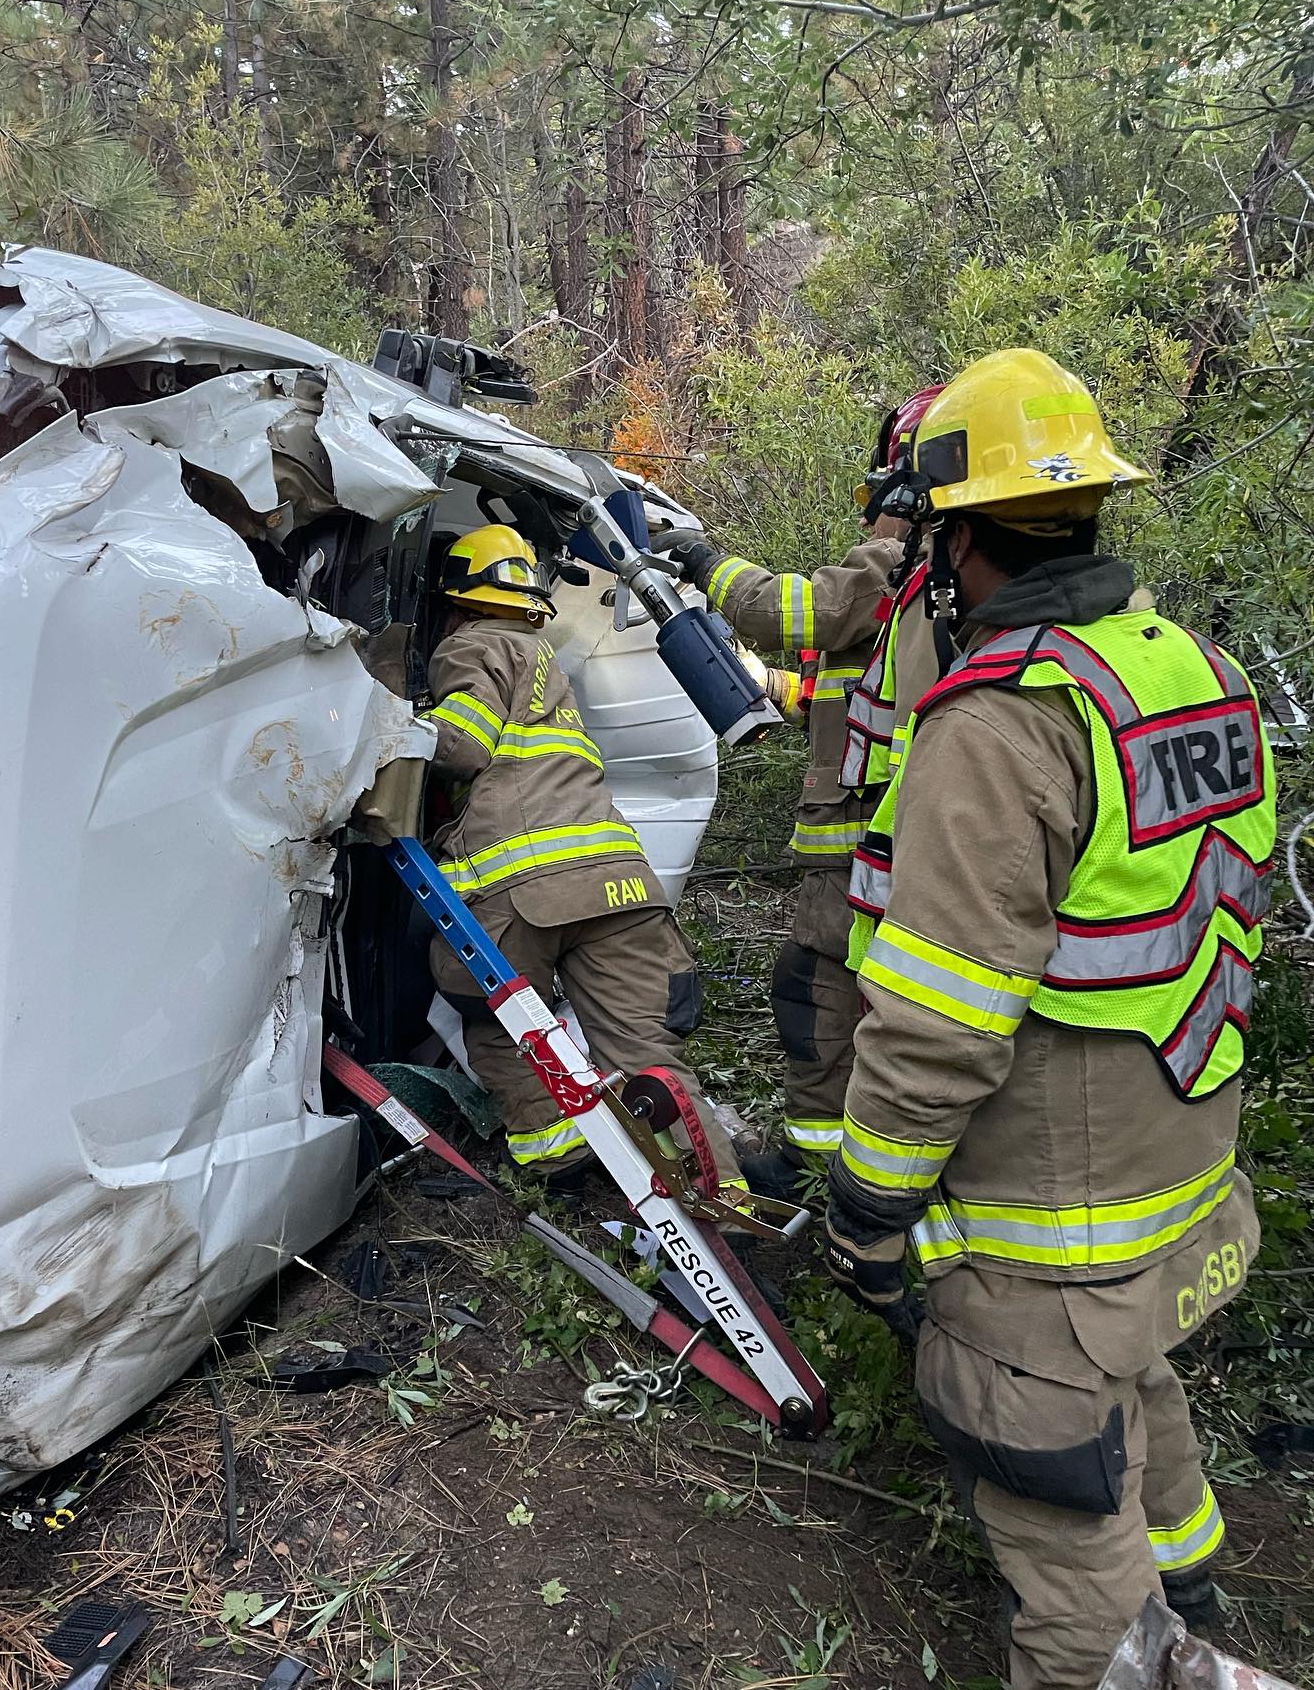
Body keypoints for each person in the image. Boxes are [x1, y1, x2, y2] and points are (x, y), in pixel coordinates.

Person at [821, 350, 1276, 1689]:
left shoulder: (1004, 720)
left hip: (1056, 1216)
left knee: (1053, 1484)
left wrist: (867, 1208)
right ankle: (1191, 1592)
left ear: (958, 541)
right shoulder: (1192, 666)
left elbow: (943, 1021)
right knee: (1137, 1388)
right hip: (1184, 1167)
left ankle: (1128, 1653)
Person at [653, 387, 944, 1198]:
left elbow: (794, 609)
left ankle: (816, 1169)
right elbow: (841, 686)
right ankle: (848, 1163)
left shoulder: (908, 566)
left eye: (886, 488)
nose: (875, 513)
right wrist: (753, 685)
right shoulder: (950, 591)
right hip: (891, 841)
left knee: (819, 997)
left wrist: (705, 564)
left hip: (864, 846)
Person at [423, 522, 745, 1197]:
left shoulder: (468, 644)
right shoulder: (546, 664)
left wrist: (391, 729)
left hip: (525, 892)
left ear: (455, 599)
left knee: (501, 1027)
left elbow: (465, 747)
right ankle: (722, 1197)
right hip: (622, 885)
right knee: (647, 1056)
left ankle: (568, 1166)